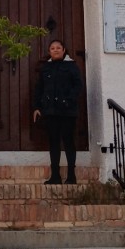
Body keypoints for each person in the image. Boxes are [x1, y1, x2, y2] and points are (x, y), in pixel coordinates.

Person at [32, 39, 82, 185]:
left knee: (68, 142)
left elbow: (78, 86)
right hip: (50, 111)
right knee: (54, 143)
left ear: (64, 50)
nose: (55, 50)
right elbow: (39, 88)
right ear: (49, 51)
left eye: (58, 48)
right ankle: (55, 176)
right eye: (52, 48)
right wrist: (37, 107)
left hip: (67, 112)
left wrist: (68, 101)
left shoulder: (72, 67)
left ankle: (71, 176)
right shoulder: (45, 68)